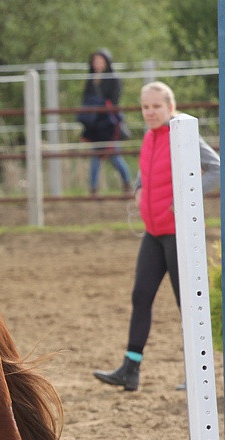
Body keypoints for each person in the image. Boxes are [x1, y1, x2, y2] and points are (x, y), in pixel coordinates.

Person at [93, 81, 220, 391]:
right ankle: (130, 368)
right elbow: (146, 170)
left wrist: (186, 194)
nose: (150, 112)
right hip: (153, 233)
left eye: (156, 106)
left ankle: (198, 371)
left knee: (187, 305)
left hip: (178, 235)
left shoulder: (184, 136)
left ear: (170, 107)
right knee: (141, 296)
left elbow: (217, 168)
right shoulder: (150, 137)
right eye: (145, 107)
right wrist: (138, 187)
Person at [77, 48, 132, 195]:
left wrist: (99, 104)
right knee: (96, 156)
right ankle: (93, 190)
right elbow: (85, 100)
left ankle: (127, 183)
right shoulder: (90, 79)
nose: (97, 63)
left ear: (107, 62)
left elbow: (114, 100)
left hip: (109, 124)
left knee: (115, 156)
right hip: (95, 125)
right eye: (95, 61)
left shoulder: (113, 79)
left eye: (100, 60)